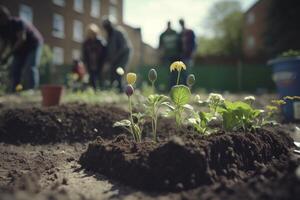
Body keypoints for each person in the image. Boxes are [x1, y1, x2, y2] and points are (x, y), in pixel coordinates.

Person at [0, 6, 43, 91]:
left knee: (30, 67)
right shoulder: (2, 29)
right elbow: (4, 44)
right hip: (19, 49)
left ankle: (32, 89)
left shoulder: (18, 22)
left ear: (5, 16)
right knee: (15, 68)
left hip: (33, 44)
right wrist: (1, 56)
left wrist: (8, 55)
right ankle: (15, 90)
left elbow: (22, 39)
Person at [102, 17, 131, 91]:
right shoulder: (109, 36)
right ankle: (114, 89)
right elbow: (108, 50)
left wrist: (114, 59)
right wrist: (108, 61)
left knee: (119, 71)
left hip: (123, 55)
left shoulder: (118, 32)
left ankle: (121, 89)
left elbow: (123, 47)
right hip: (115, 58)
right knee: (112, 72)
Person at [82, 23, 106, 89]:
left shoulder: (101, 42)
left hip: (99, 63)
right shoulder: (86, 43)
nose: (91, 35)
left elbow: (104, 54)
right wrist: (85, 63)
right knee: (92, 77)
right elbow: (84, 54)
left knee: (99, 77)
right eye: (90, 33)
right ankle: (94, 90)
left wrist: (105, 63)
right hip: (90, 63)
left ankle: (101, 90)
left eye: (93, 33)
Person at [158, 21, 182, 87]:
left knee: (177, 73)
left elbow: (180, 44)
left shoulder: (175, 33)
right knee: (170, 72)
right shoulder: (163, 35)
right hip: (167, 56)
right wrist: (161, 56)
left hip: (176, 56)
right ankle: (170, 87)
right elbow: (160, 47)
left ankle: (177, 86)